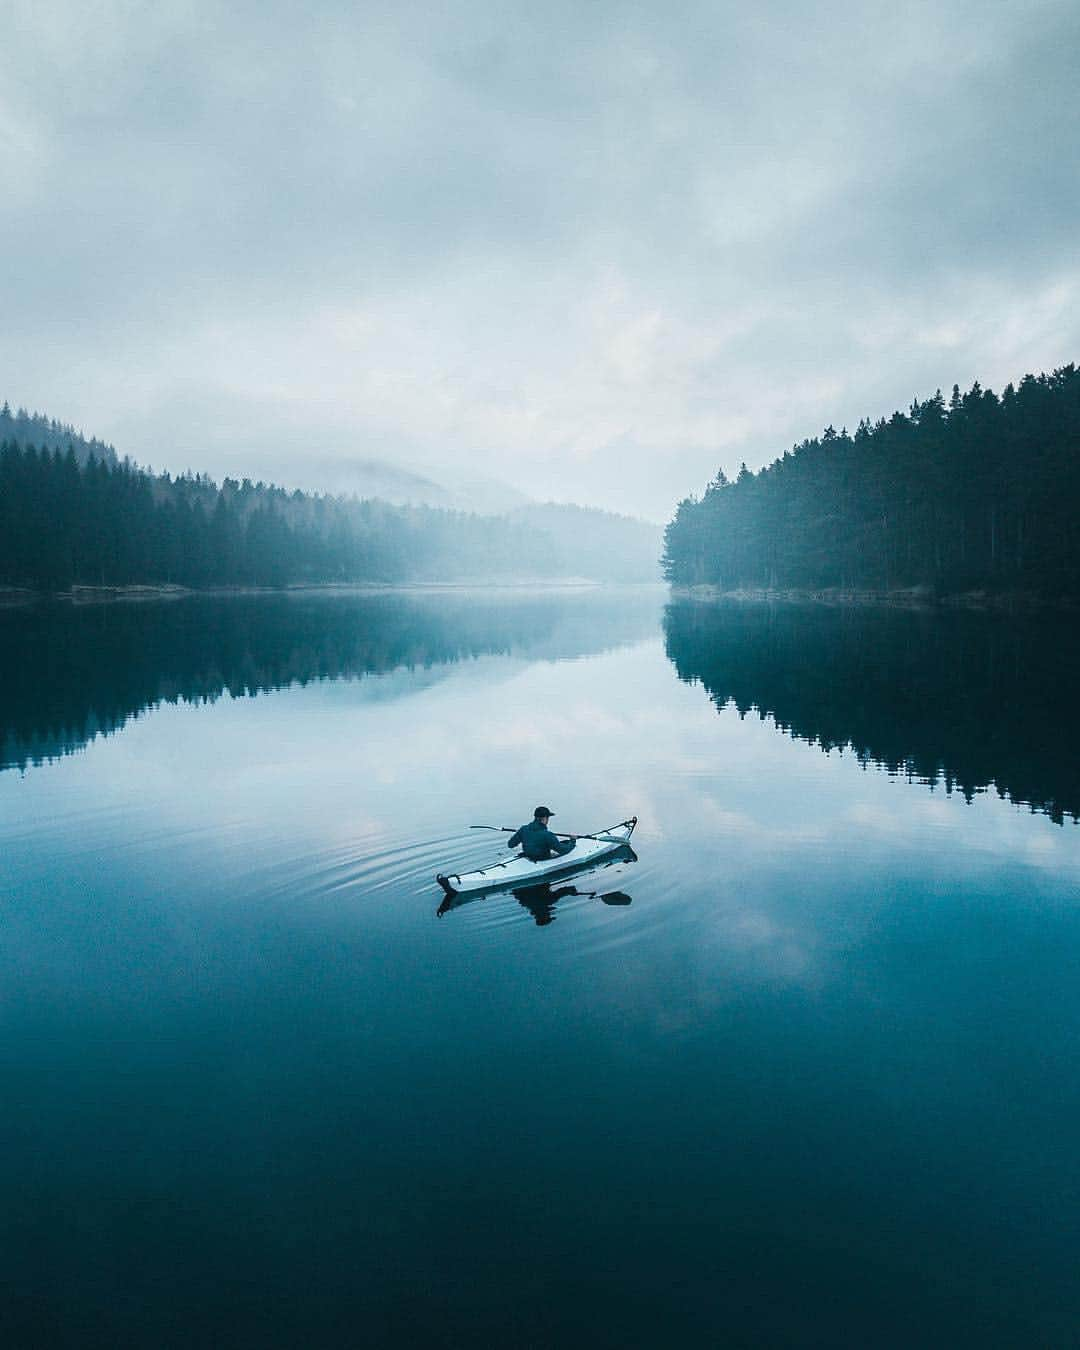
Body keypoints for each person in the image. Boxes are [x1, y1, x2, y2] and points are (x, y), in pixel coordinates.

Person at [507, 807, 576, 862]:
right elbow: (563, 850)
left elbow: (510, 845)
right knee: (563, 845)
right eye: (548, 818)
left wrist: (521, 834)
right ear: (544, 818)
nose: (548, 820)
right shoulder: (548, 835)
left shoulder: (523, 829)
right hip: (542, 859)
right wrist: (572, 841)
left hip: (528, 856)